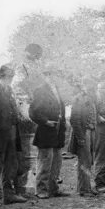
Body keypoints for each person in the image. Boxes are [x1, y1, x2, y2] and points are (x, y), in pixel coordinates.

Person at [29, 63, 70, 199]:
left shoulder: (56, 90)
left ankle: (53, 188)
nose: (54, 77)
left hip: (57, 133)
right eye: (51, 74)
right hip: (46, 131)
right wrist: (45, 121)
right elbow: (33, 112)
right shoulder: (41, 90)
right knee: (45, 162)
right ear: (46, 75)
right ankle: (41, 190)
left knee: (57, 162)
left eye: (56, 74)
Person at [0, 65, 28, 205]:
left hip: (12, 134)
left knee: (11, 164)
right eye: (8, 77)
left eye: (11, 77)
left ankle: (8, 195)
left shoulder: (10, 91)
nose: (10, 79)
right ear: (1, 76)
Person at [69, 75, 98, 197]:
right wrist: (80, 137)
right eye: (89, 88)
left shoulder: (91, 99)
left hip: (91, 132)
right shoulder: (79, 99)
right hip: (83, 132)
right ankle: (83, 189)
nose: (92, 90)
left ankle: (87, 187)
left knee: (89, 160)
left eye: (93, 88)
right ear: (84, 87)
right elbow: (74, 120)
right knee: (84, 161)